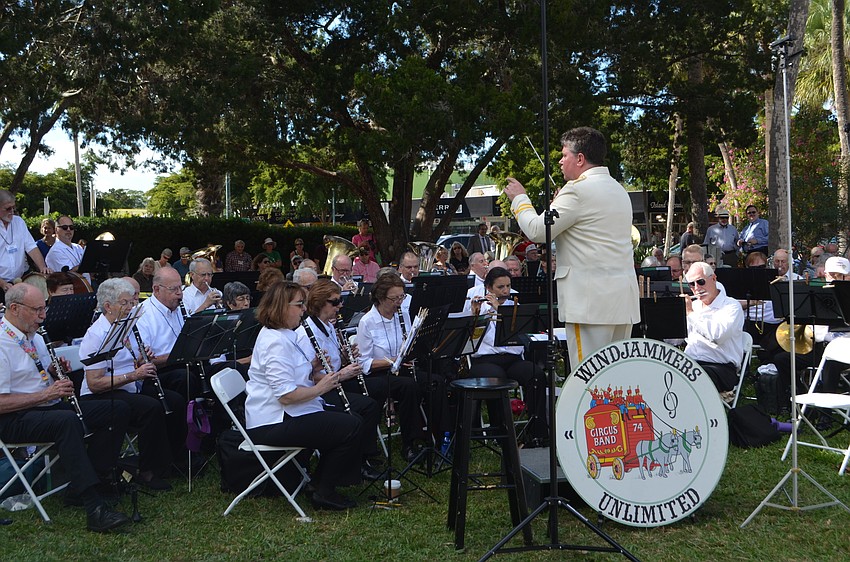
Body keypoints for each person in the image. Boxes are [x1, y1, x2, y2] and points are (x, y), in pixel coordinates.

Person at [505, 126, 640, 369]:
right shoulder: (618, 190)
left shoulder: (577, 190)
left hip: (589, 303)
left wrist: (519, 199)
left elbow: (537, 231)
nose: (559, 160)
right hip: (622, 301)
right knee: (615, 376)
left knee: (586, 377)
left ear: (580, 158)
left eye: (564, 154)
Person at [0, 283, 131, 532]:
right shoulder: (1, 343)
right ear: (14, 308)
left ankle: (92, 480)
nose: (43, 315)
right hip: (14, 418)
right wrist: (46, 393)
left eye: (44, 308)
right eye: (37, 309)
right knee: (66, 421)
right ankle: (94, 508)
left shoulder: (34, 337)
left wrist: (52, 371)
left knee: (117, 408)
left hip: (44, 407)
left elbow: (36, 373)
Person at [246, 281, 363, 510]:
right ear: (281, 307)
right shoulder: (275, 342)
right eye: (299, 305)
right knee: (350, 426)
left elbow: (291, 375)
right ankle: (323, 490)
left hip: (286, 414)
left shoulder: (283, 334)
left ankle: (320, 484)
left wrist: (312, 366)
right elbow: (286, 395)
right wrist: (324, 386)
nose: (303, 310)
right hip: (273, 421)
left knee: (351, 421)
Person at [79, 279, 175, 491]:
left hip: (127, 387)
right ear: (108, 306)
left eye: (131, 302)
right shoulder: (97, 334)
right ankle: (147, 470)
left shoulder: (126, 326)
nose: (130, 307)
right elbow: (94, 383)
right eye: (125, 303)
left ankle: (170, 461)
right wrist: (134, 375)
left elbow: (128, 361)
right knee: (150, 408)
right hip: (101, 395)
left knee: (172, 398)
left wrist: (141, 359)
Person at [296, 280, 382, 478]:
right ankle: (358, 460)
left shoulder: (328, 326)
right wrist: (342, 373)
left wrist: (344, 357)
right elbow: (308, 376)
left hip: (336, 382)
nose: (340, 306)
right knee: (367, 407)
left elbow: (330, 364)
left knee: (377, 389)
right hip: (319, 390)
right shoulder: (306, 334)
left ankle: (365, 452)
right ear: (318, 304)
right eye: (334, 303)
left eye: (340, 301)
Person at [465, 267, 548, 443]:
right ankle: (501, 432)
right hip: (486, 360)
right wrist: (475, 316)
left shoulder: (515, 307)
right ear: (489, 289)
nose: (505, 291)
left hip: (513, 358)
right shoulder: (478, 307)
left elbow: (521, 336)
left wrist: (501, 311)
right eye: (500, 287)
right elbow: (471, 341)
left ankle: (537, 431)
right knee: (497, 378)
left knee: (536, 375)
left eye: (508, 286)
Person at [355, 274, 426, 461]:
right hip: (378, 374)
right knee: (408, 386)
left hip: (399, 368)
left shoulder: (402, 315)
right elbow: (364, 364)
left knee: (435, 381)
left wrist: (409, 354)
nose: (399, 303)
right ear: (380, 298)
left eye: (401, 297)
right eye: (394, 299)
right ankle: (410, 444)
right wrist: (394, 360)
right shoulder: (367, 322)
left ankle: (441, 436)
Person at [682, 262, 744, 394]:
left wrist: (690, 314)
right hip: (691, 363)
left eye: (701, 282)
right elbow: (676, 340)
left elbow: (717, 336)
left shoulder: (731, 306)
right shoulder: (694, 305)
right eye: (692, 284)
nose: (697, 288)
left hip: (721, 367)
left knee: (695, 377)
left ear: (714, 278)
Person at [0, 191, 49, 299]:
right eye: (8, 209)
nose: (12, 212)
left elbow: (31, 247)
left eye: (14, 208)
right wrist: (2, 283)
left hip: (20, 280)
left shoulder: (19, 222)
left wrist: (43, 267)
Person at [45, 216, 87, 282]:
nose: (68, 230)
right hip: (68, 290)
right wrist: (87, 265)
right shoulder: (55, 252)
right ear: (56, 230)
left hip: (87, 288)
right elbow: (70, 275)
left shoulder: (78, 247)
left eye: (71, 227)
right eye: (64, 227)